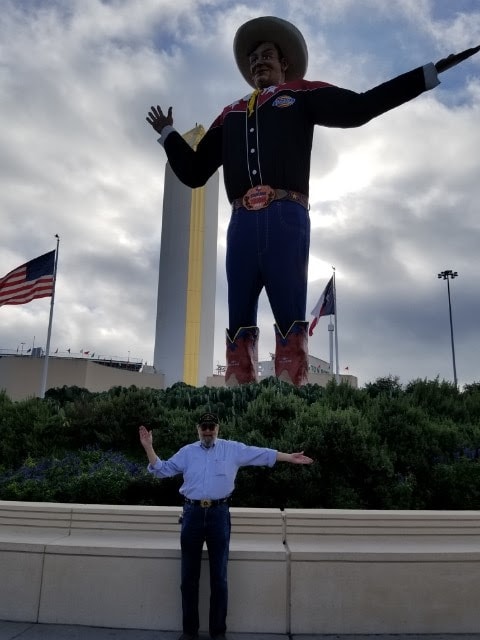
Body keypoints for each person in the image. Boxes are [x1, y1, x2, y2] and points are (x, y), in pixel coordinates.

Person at [146, 16, 478, 387]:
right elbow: (193, 172)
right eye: (253, 58)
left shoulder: (301, 94)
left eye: (267, 55)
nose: (259, 62)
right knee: (238, 320)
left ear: (283, 62)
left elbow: (360, 107)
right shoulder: (230, 114)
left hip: (287, 215)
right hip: (241, 223)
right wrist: (169, 134)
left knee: (289, 317)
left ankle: (290, 400)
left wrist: (426, 75)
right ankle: (239, 400)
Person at [139, 412, 313, 640]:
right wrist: (148, 447)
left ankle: (218, 633)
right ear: (198, 429)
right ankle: (189, 633)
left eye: (212, 426)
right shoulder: (188, 452)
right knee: (188, 579)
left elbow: (260, 453)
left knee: (219, 578)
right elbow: (162, 470)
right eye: (204, 427)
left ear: (218, 429)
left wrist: (289, 457)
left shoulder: (232, 449)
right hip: (191, 515)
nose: (208, 430)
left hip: (219, 515)